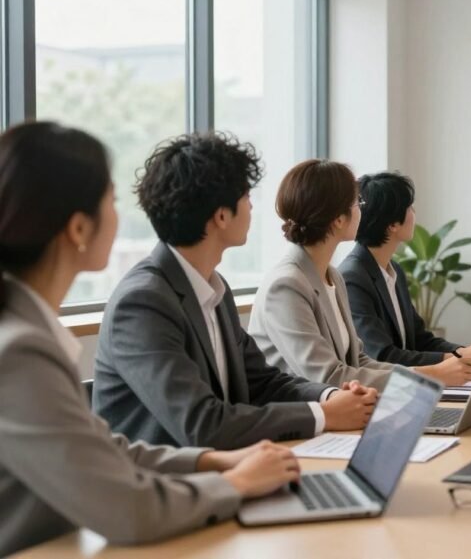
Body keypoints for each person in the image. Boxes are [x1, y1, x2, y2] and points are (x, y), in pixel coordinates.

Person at [0, 122, 299, 556]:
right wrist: (234, 483)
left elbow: (101, 448)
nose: (121, 216)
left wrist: (210, 461)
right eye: (112, 201)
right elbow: (128, 510)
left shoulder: (26, 334)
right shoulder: (20, 352)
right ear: (79, 229)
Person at [93, 132, 377, 450]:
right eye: (245, 196)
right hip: (168, 487)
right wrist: (323, 415)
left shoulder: (214, 288)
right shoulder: (143, 302)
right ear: (222, 216)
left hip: (231, 470)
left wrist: (331, 395)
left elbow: (262, 381)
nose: (252, 205)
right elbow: (203, 424)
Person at [249, 160, 471, 388]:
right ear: (339, 219)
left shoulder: (332, 277)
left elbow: (359, 361)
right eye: (357, 202)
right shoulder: (286, 285)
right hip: (303, 419)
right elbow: (328, 377)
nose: (362, 209)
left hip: (342, 409)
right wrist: (431, 375)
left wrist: (430, 372)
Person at [339, 171, 471, 369]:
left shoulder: (395, 271)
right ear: (392, 224)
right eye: (409, 207)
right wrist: (451, 360)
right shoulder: (352, 278)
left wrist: (462, 352)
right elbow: (382, 356)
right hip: (381, 392)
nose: (414, 213)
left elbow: (420, 340)